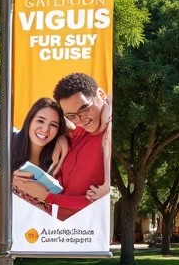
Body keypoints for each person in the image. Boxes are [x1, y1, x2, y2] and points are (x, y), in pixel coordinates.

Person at [13, 73, 111, 220]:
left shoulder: (108, 137)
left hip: (84, 234)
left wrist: (48, 197)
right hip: (52, 231)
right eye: (71, 115)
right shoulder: (75, 133)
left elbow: (96, 204)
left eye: (84, 109)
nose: (80, 120)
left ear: (100, 95)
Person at [10, 98, 68, 214]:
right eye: (40, 121)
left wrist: (63, 137)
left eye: (53, 125)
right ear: (30, 120)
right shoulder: (9, 142)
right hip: (12, 226)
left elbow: (75, 126)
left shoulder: (56, 159)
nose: (45, 129)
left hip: (44, 228)